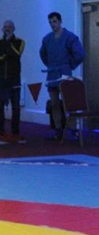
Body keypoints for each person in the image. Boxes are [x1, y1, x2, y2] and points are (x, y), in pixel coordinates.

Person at [39, 11, 85, 140]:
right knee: (54, 103)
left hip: (65, 74)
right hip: (52, 74)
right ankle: (58, 129)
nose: (52, 24)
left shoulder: (70, 37)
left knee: (68, 103)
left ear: (60, 21)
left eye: (54, 21)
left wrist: (69, 65)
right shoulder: (47, 39)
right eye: (50, 22)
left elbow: (80, 54)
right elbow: (43, 53)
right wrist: (50, 65)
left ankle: (73, 128)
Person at [0, 20, 25, 141]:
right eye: (5, 27)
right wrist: (5, 56)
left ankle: (15, 131)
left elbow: (17, 54)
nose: (7, 29)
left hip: (14, 79)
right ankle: (0, 130)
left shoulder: (20, 42)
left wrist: (9, 43)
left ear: (14, 29)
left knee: (15, 107)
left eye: (10, 27)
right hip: (0, 80)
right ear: (2, 29)